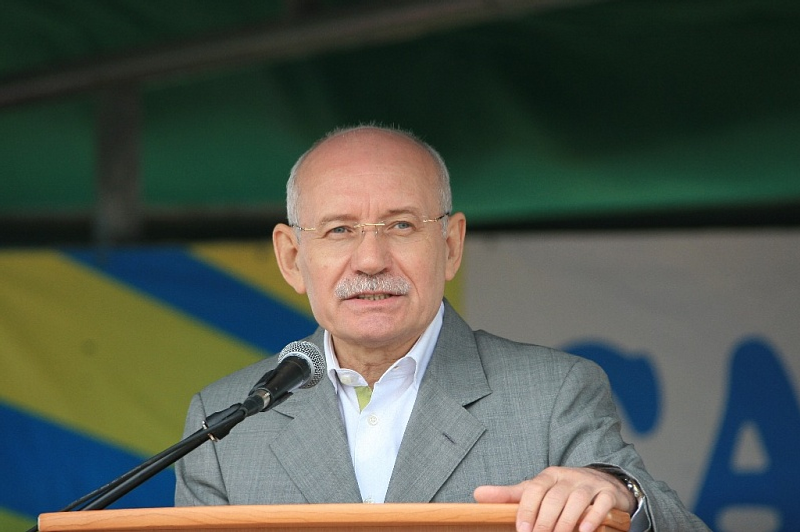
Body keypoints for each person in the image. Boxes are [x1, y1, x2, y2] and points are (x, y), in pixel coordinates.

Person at [175, 125, 709, 532]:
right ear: (292, 259)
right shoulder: (223, 425)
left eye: (401, 225)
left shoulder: (551, 394)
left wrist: (622, 496)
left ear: (451, 246)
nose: (371, 260)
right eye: (339, 230)